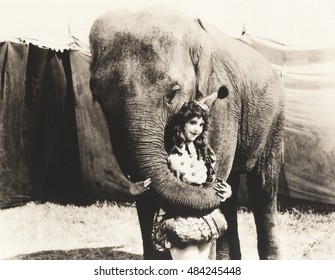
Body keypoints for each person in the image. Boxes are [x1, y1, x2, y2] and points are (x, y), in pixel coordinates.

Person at [131, 101, 232, 260]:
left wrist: (226, 192)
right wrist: (133, 189)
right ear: (181, 124)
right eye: (192, 123)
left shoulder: (204, 153)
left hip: (204, 218)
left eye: (200, 124)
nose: (197, 128)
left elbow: (212, 183)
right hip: (177, 217)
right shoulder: (167, 153)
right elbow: (154, 183)